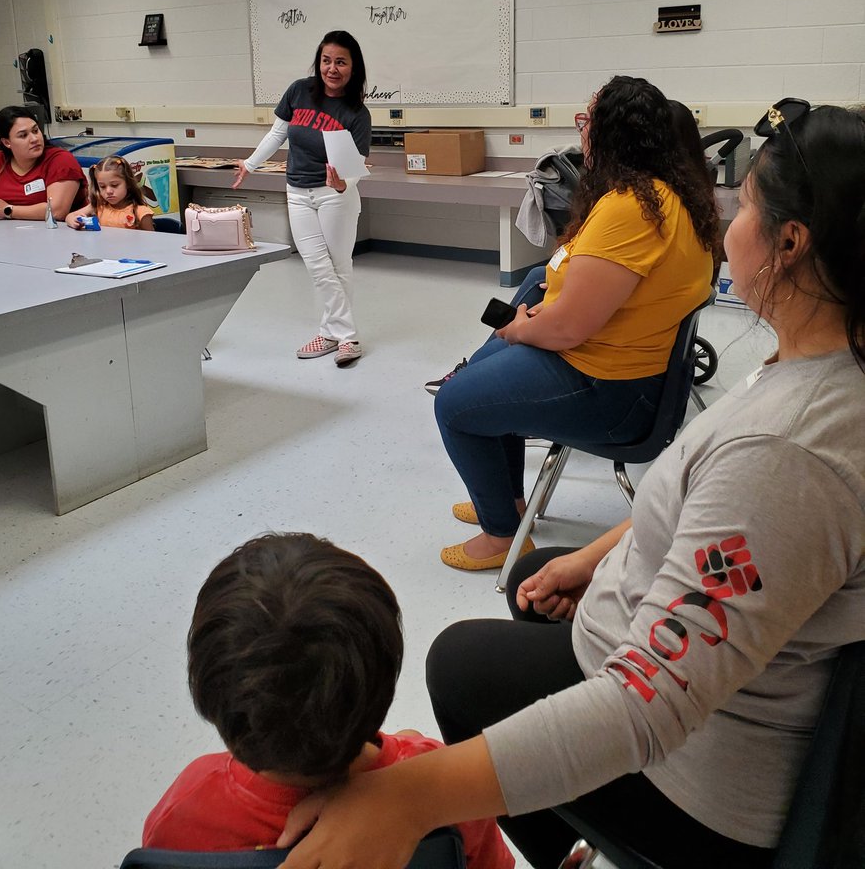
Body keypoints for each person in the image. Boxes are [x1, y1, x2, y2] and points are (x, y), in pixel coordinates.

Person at [274, 99, 865, 869]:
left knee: (457, 664)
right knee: (531, 576)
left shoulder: (788, 457)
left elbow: (648, 709)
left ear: (790, 244)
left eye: (746, 207)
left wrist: (409, 795)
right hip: (692, 645)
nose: (730, 228)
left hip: (698, 781)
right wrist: (597, 561)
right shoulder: (818, 358)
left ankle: (573, 846)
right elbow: (715, 514)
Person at [433, 76, 721, 571]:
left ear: (610, 134)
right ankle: (507, 505)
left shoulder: (629, 209)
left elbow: (567, 332)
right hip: (626, 373)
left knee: (455, 403)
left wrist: (522, 327)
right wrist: (541, 316)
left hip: (608, 390)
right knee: (481, 376)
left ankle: (502, 533)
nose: (581, 132)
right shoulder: (673, 195)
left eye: (587, 121)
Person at [142, 532, 513, 869]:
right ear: (385, 682)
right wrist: (406, 750)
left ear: (210, 698)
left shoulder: (187, 806)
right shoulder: (441, 787)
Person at [233, 32, 371, 367]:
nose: (332, 69)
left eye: (341, 62)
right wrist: (250, 164)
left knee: (338, 266)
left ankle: (333, 334)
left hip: (335, 196)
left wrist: (342, 184)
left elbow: (357, 165)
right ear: (318, 61)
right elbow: (278, 133)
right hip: (297, 192)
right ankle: (345, 336)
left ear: (354, 68)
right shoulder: (299, 91)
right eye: (326, 60)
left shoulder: (357, 113)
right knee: (317, 265)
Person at [0, 105, 87, 222]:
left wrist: (7, 210)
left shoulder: (60, 160)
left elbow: (57, 211)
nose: (34, 139)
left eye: (35, 130)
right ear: (7, 142)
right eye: (23, 135)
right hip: (7, 234)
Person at [66, 155, 155, 230]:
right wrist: (73, 221)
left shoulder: (140, 212)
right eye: (102, 186)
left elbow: (151, 242)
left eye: (114, 185)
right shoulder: (99, 206)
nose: (108, 191)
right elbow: (69, 216)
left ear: (128, 183)